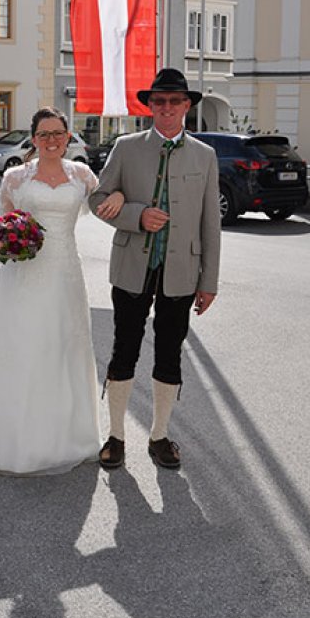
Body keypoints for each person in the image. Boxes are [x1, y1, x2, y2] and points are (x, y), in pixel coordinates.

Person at [0, 107, 124, 475]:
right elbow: (0, 222)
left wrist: (123, 200)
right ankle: (6, 437)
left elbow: (104, 206)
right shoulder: (16, 177)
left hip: (65, 273)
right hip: (23, 273)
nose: (52, 141)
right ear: (33, 140)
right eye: (44, 134)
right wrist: (6, 240)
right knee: (17, 345)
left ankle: (66, 436)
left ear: (69, 137)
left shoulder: (82, 175)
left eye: (58, 133)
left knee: (62, 345)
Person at [88, 68, 221, 470]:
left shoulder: (205, 155)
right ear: (149, 106)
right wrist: (136, 214)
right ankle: (115, 436)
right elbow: (98, 198)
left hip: (182, 271)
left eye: (174, 101)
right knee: (123, 348)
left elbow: (209, 222)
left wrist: (209, 281)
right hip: (132, 266)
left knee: (169, 353)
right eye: (159, 101)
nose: (166, 108)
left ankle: (160, 436)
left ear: (186, 106)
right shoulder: (127, 148)